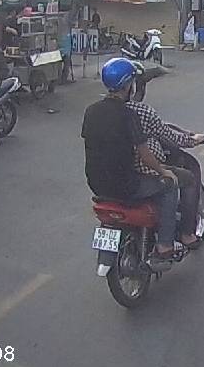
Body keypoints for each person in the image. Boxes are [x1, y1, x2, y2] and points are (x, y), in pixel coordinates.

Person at [82, 58, 191, 263]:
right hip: (126, 185)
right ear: (128, 85)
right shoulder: (128, 114)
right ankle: (165, 245)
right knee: (170, 186)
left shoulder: (91, 111)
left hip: (96, 184)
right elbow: (144, 154)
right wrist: (163, 172)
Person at [123, 73, 203, 249]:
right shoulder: (140, 112)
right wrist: (193, 140)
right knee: (176, 181)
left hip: (106, 178)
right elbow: (157, 144)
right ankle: (175, 240)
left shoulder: (98, 112)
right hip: (138, 174)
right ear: (131, 86)